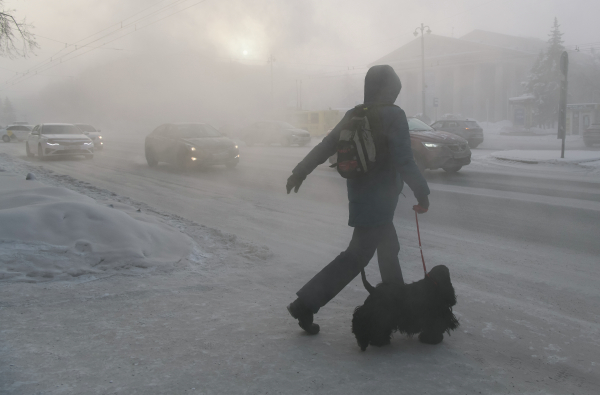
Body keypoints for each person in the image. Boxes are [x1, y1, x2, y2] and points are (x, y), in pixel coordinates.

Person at [285, 65, 430, 335]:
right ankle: (305, 303)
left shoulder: (355, 113)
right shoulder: (393, 115)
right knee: (356, 257)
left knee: (389, 252)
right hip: (381, 199)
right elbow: (405, 160)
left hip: (361, 196)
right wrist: (422, 193)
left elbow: (326, 145)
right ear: (391, 89)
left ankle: (400, 312)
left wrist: (300, 172)